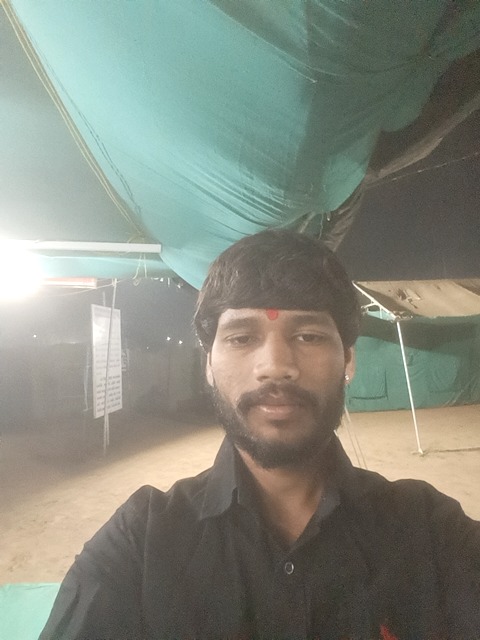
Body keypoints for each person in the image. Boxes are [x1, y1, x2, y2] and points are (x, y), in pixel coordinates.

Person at [39, 230, 480, 640]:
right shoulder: (141, 545)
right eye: (241, 338)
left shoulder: (430, 533)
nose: (275, 366)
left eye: (308, 336)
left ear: (348, 360)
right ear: (208, 364)